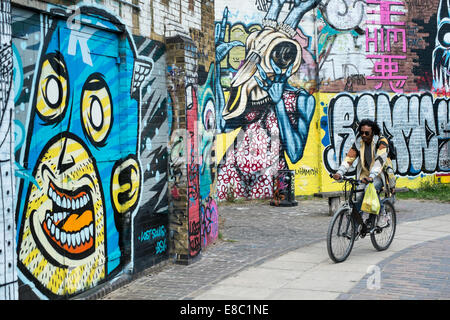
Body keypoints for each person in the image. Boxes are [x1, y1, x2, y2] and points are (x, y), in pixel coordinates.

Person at [332, 119, 389, 230]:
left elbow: (380, 161)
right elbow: (349, 158)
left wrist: (372, 176)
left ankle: (383, 215)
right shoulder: (359, 143)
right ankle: (357, 223)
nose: (363, 135)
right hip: (364, 175)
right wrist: (340, 172)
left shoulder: (381, 141)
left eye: (367, 133)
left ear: (373, 132)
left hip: (379, 174)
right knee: (357, 195)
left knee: (369, 188)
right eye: (361, 132)